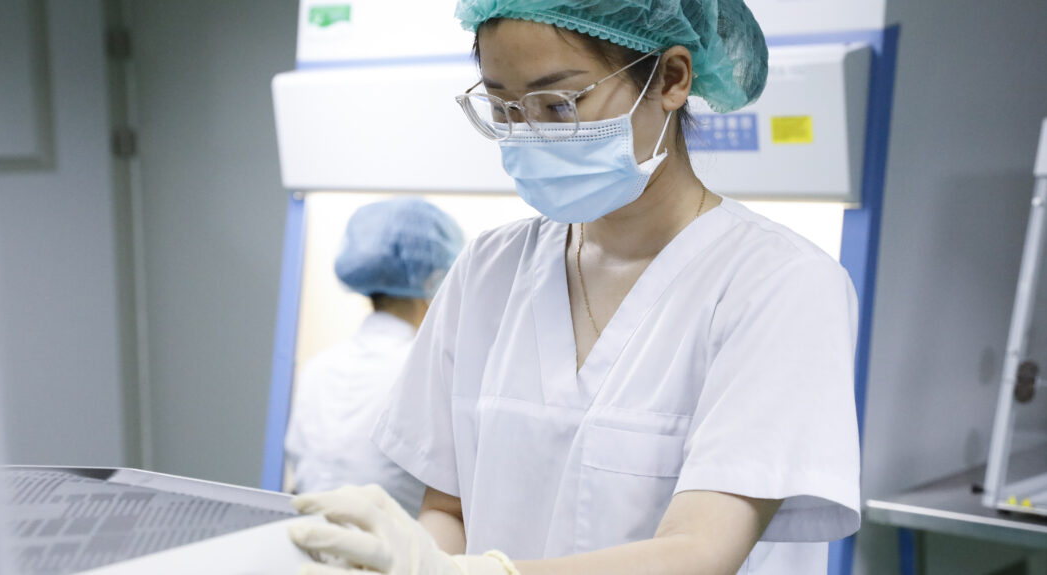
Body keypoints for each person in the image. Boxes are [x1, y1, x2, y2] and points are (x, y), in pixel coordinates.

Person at [288, 1, 861, 573]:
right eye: (504, 108)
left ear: (671, 78)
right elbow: (450, 508)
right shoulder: (488, 269)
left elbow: (701, 551)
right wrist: (412, 559)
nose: (529, 135)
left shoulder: (779, 284)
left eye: (559, 104)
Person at [283, 197, 464, 517]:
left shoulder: (319, 368)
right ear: (433, 279)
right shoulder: (431, 371)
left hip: (312, 541)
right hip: (399, 546)